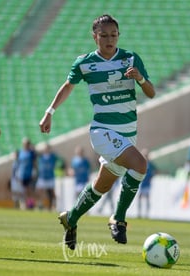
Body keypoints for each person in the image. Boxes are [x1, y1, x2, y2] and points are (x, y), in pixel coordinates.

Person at [39, 14, 155, 250]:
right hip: (102, 131)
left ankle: (70, 218)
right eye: (104, 35)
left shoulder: (131, 59)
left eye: (113, 35)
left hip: (128, 132)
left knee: (102, 186)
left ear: (118, 35)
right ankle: (118, 218)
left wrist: (140, 78)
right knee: (140, 165)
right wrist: (50, 111)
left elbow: (151, 92)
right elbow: (68, 86)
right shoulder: (84, 63)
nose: (109, 39)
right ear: (95, 37)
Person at [16, 137, 37, 209]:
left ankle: (31, 204)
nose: (26, 145)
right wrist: (18, 172)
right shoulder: (20, 152)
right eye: (25, 143)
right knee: (23, 190)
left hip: (29, 174)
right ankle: (24, 204)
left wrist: (34, 171)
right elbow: (19, 163)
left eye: (27, 143)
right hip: (22, 174)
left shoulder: (31, 153)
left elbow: (34, 163)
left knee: (29, 190)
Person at [35, 143, 57, 210]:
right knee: (38, 191)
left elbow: (61, 161)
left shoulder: (53, 156)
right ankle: (40, 204)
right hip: (42, 177)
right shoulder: (41, 156)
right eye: (45, 148)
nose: (46, 149)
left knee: (52, 192)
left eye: (47, 148)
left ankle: (53, 205)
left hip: (50, 177)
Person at [137, 148, 156, 218]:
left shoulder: (150, 164)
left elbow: (155, 171)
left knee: (147, 198)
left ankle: (146, 214)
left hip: (147, 183)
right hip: (142, 183)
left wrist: (151, 176)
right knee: (140, 198)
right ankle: (139, 213)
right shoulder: (141, 163)